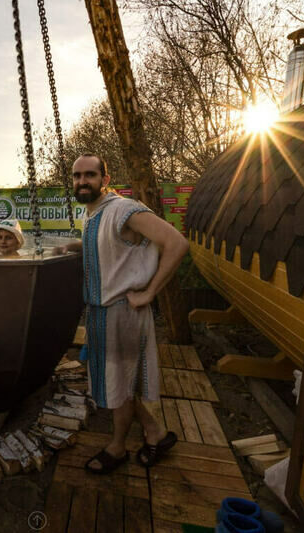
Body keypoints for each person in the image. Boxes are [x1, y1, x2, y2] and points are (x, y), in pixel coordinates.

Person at [62, 153, 189, 474]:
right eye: (77, 176)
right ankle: (155, 433)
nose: (82, 181)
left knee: (119, 386)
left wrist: (150, 292)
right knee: (119, 383)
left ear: (105, 179)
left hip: (122, 312)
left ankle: (117, 448)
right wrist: (71, 247)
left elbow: (176, 243)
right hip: (101, 314)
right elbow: (108, 248)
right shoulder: (94, 213)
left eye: (90, 175)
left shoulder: (123, 209)